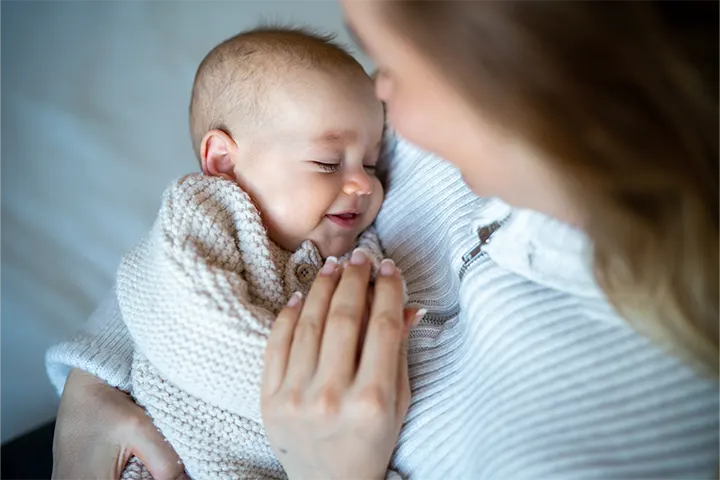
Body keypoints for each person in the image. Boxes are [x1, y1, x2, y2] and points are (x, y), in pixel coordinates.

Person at [48, 1, 720, 479]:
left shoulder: (628, 437)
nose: (380, 91)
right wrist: (90, 384)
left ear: (512, 85)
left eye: (392, 59)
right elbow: (204, 240)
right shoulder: (405, 140)